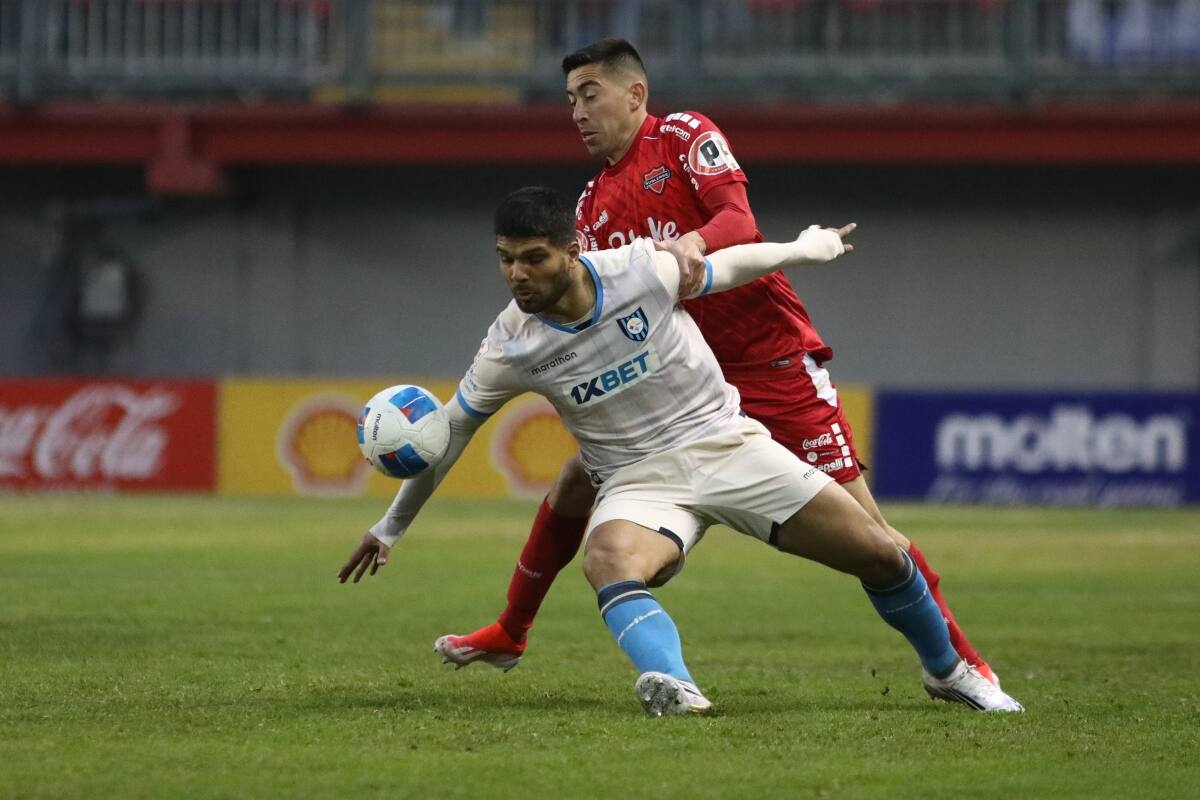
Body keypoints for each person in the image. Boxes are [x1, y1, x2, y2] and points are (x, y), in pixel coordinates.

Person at [435, 38, 1000, 688]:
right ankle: (511, 630)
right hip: (683, 387)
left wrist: (690, 247)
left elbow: (739, 221)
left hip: (770, 363)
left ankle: (957, 661)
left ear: (634, 94)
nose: (578, 114)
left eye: (590, 96)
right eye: (570, 102)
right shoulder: (589, 205)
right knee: (573, 482)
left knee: (873, 537)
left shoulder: (682, 136)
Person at [338, 186, 1023, 715]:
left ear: (572, 250)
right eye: (504, 259)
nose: (517, 273)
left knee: (882, 553)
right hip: (639, 482)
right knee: (607, 560)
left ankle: (947, 672)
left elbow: (724, 266)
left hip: (727, 445)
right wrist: (389, 526)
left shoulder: (639, 270)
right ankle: (674, 684)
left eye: (532, 257)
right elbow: (453, 432)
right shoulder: (510, 343)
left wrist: (799, 249)